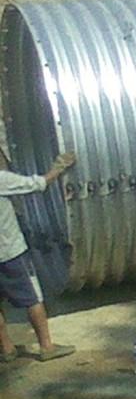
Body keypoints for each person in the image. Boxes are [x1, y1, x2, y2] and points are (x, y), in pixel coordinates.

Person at [0, 150, 77, 363]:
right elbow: (37, 184)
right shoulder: (2, 179)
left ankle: (6, 349)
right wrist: (59, 167)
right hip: (10, 252)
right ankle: (46, 346)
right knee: (33, 299)